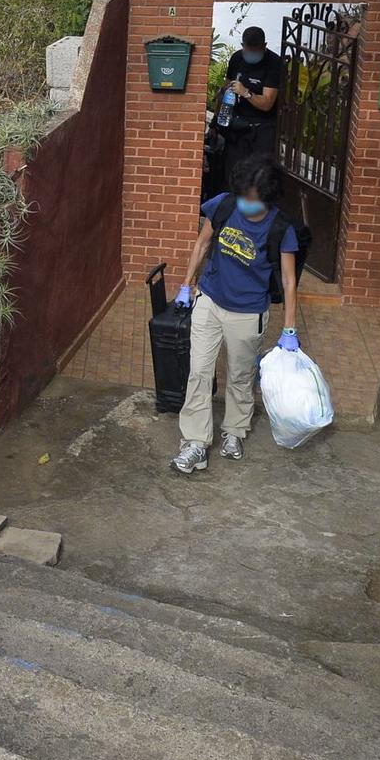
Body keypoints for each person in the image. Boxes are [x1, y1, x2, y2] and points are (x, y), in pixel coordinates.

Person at [168, 156, 302, 474]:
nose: (246, 204)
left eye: (253, 200)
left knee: (240, 378)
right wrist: (187, 285)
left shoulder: (281, 228)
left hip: (248, 312)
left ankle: (235, 431)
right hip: (210, 301)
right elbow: (202, 245)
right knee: (199, 372)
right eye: (243, 196)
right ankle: (195, 443)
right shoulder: (224, 206)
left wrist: (290, 329)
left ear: (267, 198)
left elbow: (288, 279)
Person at [218, 26, 283, 178]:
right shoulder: (237, 58)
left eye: (256, 50)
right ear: (242, 46)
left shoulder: (273, 63)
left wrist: (246, 93)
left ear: (264, 46)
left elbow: (267, 103)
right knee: (233, 175)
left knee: (259, 177)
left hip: (262, 130)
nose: (251, 54)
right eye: (248, 50)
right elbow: (225, 89)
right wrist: (218, 120)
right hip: (237, 127)